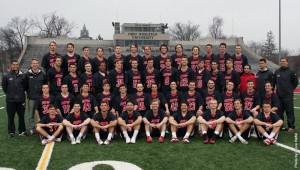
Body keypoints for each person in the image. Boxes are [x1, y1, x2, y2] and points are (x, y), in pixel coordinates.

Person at [2, 60, 27, 138]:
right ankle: (11, 132)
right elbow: (4, 88)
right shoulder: (6, 76)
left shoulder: (23, 75)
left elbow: (25, 86)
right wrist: (10, 94)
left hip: (21, 100)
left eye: (17, 64)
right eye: (14, 64)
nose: (15, 66)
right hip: (10, 101)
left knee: (21, 116)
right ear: (11, 65)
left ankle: (22, 131)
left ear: (19, 65)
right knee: (11, 117)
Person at [274, 57, 298, 132]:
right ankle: (280, 125)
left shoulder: (291, 71)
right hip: (279, 95)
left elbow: (295, 83)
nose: (283, 62)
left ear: (287, 62)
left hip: (288, 95)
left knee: (289, 111)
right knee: (279, 111)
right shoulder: (277, 71)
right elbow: (274, 82)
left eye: (284, 61)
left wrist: (289, 90)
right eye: (281, 61)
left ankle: (291, 126)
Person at [26, 58, 45, 135]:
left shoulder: (42, 74)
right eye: (33, 63)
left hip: (40, 97)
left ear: (38, 64)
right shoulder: (27, 74)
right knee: (31, 114)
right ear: (31, 64)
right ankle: (31, 128)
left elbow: (45, 84)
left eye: (36, 63)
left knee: (41, 113)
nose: (35, 64)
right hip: (32, 97)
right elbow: (25, 85)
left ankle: (41, 127)